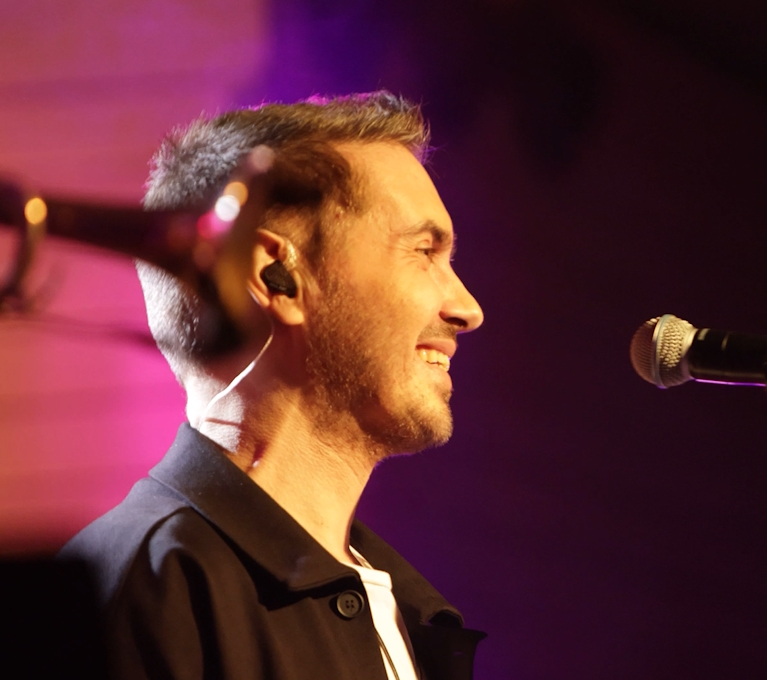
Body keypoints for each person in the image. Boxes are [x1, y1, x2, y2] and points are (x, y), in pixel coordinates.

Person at [59, 92, 487, 680]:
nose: (468, 308)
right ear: (276, 276)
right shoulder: (140, 590)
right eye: (423, 251)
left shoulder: (407, 615)